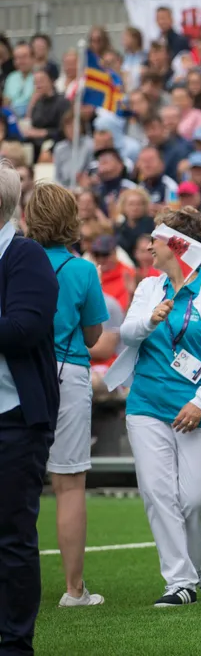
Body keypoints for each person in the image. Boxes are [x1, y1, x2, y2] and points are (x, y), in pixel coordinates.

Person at [104, 208, 201, 606]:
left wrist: (199, 402)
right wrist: (149, 319)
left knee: (198, 496)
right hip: (146, 402)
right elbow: (125, 333)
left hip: (200, 407)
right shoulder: (149, 288)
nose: (148, 246)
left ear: (179, 245)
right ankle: (178, 582)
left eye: (155, 239)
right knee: (158, 492)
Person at [24, 184, 109, 606]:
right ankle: (74, 589)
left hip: (17, 373)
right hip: (67, 374)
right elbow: (94, 336)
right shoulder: (82, 270)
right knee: (70, 484)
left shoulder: (12, 262)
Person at [0, 159, 60, 652]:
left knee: (12, 535)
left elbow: (25, 330)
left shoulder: (27, 258)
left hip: (15, 420)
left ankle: (15, 644)